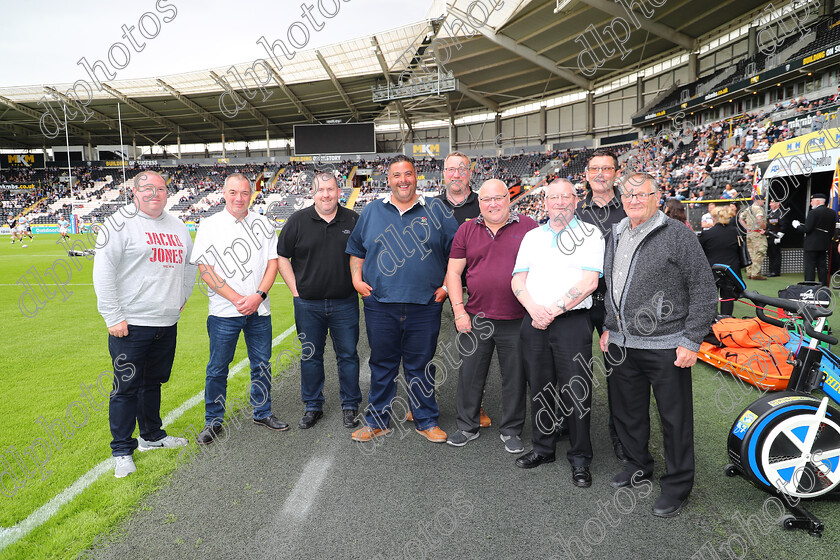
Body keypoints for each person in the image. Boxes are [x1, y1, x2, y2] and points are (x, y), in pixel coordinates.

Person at [600, 172, 717, 518]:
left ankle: (678, 485)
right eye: (628, 195)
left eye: (641, 194)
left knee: (674, 419)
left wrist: (692, 339)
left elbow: (704, 291)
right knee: (629, 413)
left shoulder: (678, 235)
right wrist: (610, 327)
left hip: (667, 344)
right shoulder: (617, 232)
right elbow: (612, 288)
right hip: (623, 343)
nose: (633, 200)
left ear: (657, 197)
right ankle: (638, 465)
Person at [346, 155, 459, 444]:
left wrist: (446, 287)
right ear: (389, 180)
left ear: (416, 176)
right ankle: (377, 421)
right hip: (380, 304)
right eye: (397, 175)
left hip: (425, 305)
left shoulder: (437, 210)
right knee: (382, 363)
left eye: (408, 174)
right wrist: (357, 280)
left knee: (420, 364)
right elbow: (357, 250)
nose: (403, 180)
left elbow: (457, 254)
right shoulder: (372, 211)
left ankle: (425, 419)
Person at [92, 170, 197, 478]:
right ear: (134, 192)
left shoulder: (178, 226)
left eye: (161, 189)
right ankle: (122, 450)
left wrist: (181, 297)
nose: (155, 194)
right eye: (147, 189)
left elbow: (190, 267)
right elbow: (103, 272)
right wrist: (113, 316)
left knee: (153, 383)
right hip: (131, 323)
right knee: (125, 388)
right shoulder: (118, 223)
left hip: (166, 321)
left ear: (168, 192)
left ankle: (151, 435)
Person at [512, 178, 603, 489]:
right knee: (539, 387)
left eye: (567, 197)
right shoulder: (532, 237)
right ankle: (543, 448)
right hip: (534, 320)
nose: (560, 202)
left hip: (571, 323)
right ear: (545, 202)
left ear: (576, 202)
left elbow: (590, 282)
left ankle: (580, 458)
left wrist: (552, 310)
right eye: (554, 197)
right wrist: (534, 308)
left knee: (577, 392)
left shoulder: (590, 234)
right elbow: (517, 281)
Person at [191, 173, 287, 444]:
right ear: (224, 193)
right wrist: (235, 298)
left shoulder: (264, 223)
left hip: (259, 309)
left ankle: (262, 411)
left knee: (262, 365)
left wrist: (258, 296)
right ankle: (213, 421)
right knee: (217, 368)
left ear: (251, 194)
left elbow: (273, 263)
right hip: (224, 311)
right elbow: (205, 269)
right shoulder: (209, 224)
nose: (239, 198)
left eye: (244, 193)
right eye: (233, 192)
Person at [444, 179, 537, 452]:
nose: (493, 204)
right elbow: (453, 273)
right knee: (470, 376)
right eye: (486, 200)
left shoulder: (529, 227)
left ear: (509, 199)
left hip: (517, 319)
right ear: (479, 202)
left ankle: (511, 430)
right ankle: (466, 426)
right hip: (476, 319)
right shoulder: (466, 229)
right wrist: (459, 310)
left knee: (515, 377)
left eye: (498, 198)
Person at [276, 172, 362, 430]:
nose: (326, 194)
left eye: (331, 189)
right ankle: (313, 405)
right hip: (308, 305)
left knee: (347, 355)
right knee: (310, 356)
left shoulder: (353, 219)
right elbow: (282, 257)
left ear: (339, 191)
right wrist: (295, 290)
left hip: (345, 303)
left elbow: (364, 255)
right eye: (321, 190)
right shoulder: (297, 221)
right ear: (312, 193)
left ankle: (350, 406)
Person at [431, 150, 491, 429]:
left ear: (470, 172)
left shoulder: (485, 204)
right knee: (424, 349)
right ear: (443, 173)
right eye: (450, 169)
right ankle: (420, 403)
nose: (456, 174)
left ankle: (474, 406)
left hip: (472, 291)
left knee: (472, 352)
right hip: (432, 290)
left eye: (461, 169)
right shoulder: (429, 207)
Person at [576, 148, 627, 463]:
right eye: (594, 169)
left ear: (616, 173)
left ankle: (622, 439)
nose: (599, 174)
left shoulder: (631, 207)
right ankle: (571, 430)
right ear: (586, 174)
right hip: (580, 302)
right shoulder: (574, 209)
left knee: (621, 375)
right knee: (573, 369)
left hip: (618, 305)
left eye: (606, 169)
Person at [699, 206, 741, 316]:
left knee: (711, 298)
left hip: (712, 270)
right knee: (728, 298)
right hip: (730, 271)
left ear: (713, 218)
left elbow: (700, 252)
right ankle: (727, 321)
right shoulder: (735, 232)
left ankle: (713, 321)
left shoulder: (707, 234)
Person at [794, 192, 837, 286]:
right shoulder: (832, 213)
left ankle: (810, 286)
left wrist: (797, 226)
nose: (811, 203)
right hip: (824, 244)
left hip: (811, 245)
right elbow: (832, 230)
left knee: (810, 266)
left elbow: (807, 229)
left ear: (817, 201)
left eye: (812, 201)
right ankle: (824, 286)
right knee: (822, 266)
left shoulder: (813, 212)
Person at [740, 195, 767, 280]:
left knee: (750, 253)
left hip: (750, 233)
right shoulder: (758, 208)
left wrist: (747, 228)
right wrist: (763, 227)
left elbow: (740, 219)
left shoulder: (748, 208)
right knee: (760, 252)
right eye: (763, 200)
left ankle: (749, 272)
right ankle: (755, 273)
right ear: (758, 200)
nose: (764, 202)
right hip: (757, 234)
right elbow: (759, 219)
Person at [766, 199, 784, 277]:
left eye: (772, 203)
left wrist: (779, 236)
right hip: (770, 235)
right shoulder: (771, 213)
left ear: (778, 204)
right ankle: (771, 270)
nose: (770, 204)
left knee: (776, 254)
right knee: (770, 254)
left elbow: (783, 225)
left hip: (776, 235)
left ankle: (776, 271)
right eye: (770, 203)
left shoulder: (781, 213)